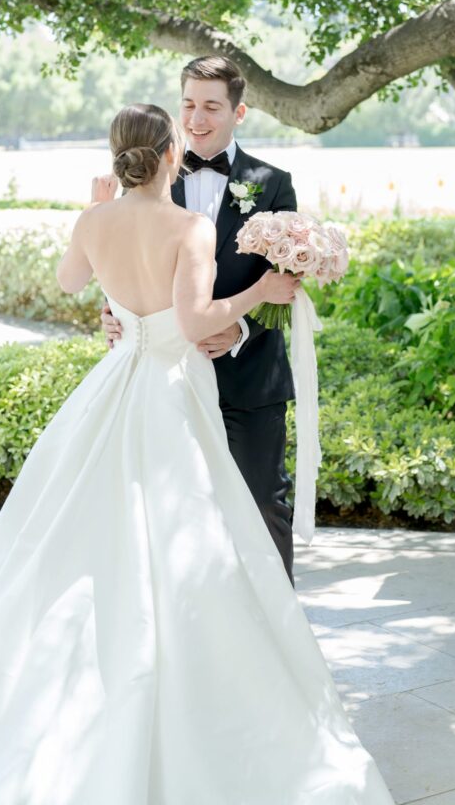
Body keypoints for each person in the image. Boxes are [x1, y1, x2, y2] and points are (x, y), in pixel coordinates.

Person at [0, 102, 395, 805]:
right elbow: (194, 321)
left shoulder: (94, 221)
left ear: (120, 157)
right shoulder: (187, 226)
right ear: (170, 155)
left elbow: (69, 283)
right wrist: (262, 289)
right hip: (169, 392)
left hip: (113, 386)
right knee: (192, 541)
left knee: (84, 537)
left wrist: (95, 221)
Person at [100, 55, 299, 584]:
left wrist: (240, 329)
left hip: (250, 377)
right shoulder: (145, 177)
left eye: (211, 106)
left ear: (239, 112)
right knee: (177, 513)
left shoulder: (273, 183)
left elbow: (286, 287)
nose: (196, 118)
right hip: (169, 378)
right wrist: (111, 312)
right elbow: (125, 261)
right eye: (188, 104)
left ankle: (278, 639)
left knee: (263, 504)